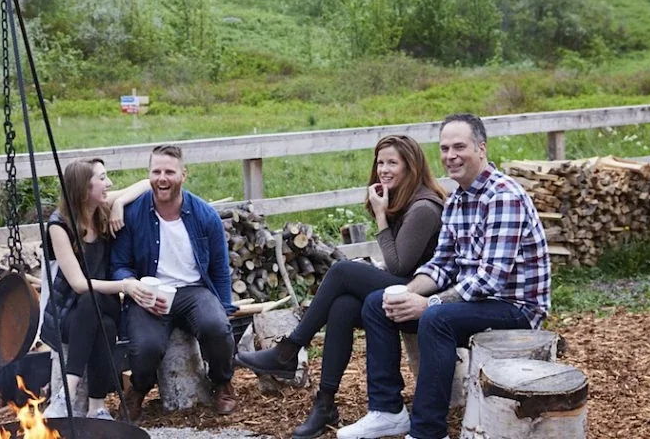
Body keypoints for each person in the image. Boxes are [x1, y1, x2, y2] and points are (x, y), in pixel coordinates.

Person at [336, 114, 551, 439]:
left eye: (459, 147)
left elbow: (490, 280)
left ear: (481, 148)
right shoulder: (457, 200)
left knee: (436, 318)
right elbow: (443, 265)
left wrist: (428, 303)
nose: (451, 155)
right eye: (445, 148)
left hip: (515, 308)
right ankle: (387, 411)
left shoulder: (503, 196)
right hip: (475, 304)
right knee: (379, 304)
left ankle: (428, 431)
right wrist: (408, 294)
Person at [235, 135, 447, 439]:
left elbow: (399, 266)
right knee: (343, 307)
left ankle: (289, 350)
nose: (384, 169)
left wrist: (381, 216)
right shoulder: (405, 200)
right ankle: (324, 404)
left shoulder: (423, 207)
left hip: (423, 302)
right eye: (380, 162)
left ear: (411, 167)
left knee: (342, 271)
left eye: (393, 163)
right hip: (402, 291)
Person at [111, 144, 238, 421]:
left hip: (193, 291)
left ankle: (222, 382)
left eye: (169, 172)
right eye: (156, 172)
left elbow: (219, 268)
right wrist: (131, 285)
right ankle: (138, 389)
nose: (162, 178)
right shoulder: (133, 214)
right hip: (149, 291)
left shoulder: (205, 215)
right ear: (148, 175)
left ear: (183, 175)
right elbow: (119, 264)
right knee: (146, 346)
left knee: (217, 327)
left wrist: (225, 308)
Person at [40, 158, 152, 420]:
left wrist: (119, 203)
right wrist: (125, 285)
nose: (108, 183)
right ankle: (97, 408)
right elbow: (79, 285)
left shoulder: (101, 206)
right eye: (101, 179)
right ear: (83, 188)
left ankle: (65, 396)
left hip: (106, 302)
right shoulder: (59, 226)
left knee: (94, 303)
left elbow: (147, 183)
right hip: (69, 312)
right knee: (105, 324)